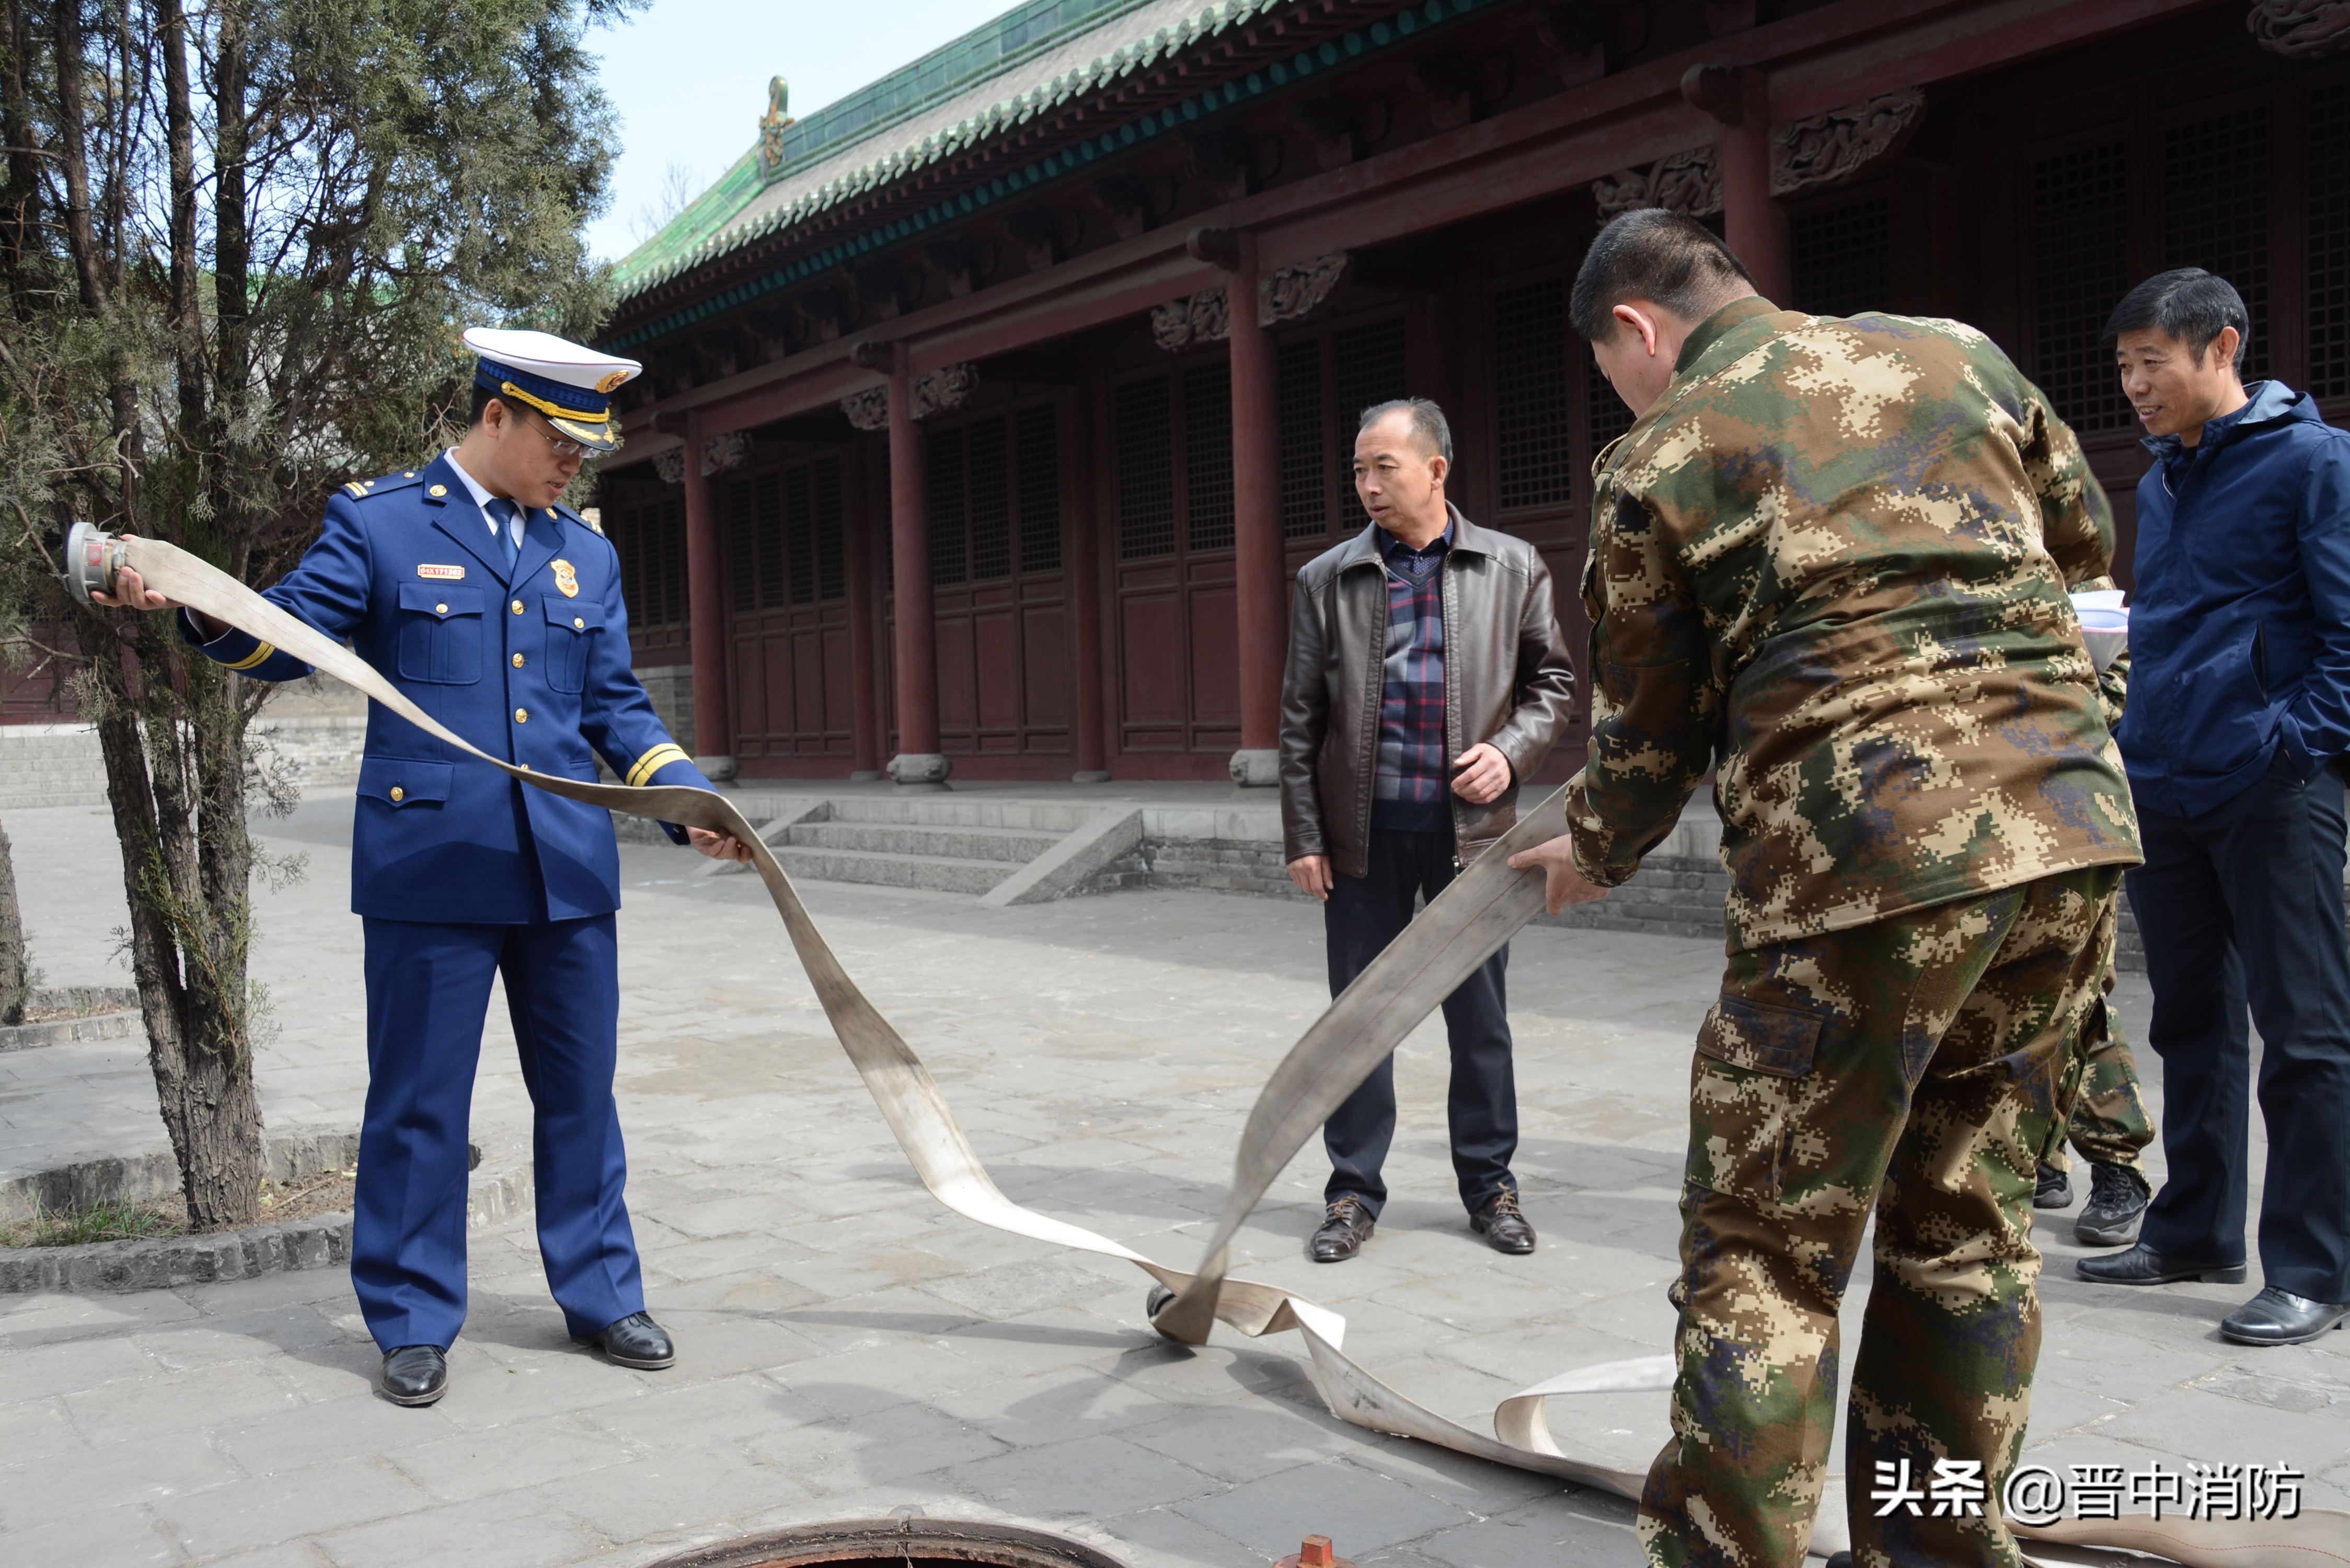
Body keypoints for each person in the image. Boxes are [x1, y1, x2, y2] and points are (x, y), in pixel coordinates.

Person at [1511, 210, 2140, 1567]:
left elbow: (1648, 733)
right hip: (2069, 853)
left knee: (1766, 1253)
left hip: (1858, 878)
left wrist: (1591, 848)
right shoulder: (1959, 356)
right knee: (1966, 1233)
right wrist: (2074, 742)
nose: (1622, 393)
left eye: (1612, 367)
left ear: (1636, 326)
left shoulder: (1666, 449)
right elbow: (2092, 570)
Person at [96, 328, 751, 1408]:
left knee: (582, 1098)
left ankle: (600, 1294)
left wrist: (687, 802)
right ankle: (409, 1315)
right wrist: (192, 601)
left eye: (584, 449)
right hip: (432, 868)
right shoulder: (384, 522)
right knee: (419, 1106)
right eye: (557, 440)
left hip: (568, 877)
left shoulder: (587, 555)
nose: (571, 464)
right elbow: (285, 632)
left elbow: (614, 707)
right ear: (494, 416)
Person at [2075, 268, 2350, 1346]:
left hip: (2271, 786)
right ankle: (2194, 1229)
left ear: (2220, 348)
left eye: (2152, 361)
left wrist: (2293, 743)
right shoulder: (2164, 481)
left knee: (2306, 1030)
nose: (2135, 386)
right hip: (2165, 778)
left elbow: (2342, 633)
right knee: (2188, 1019)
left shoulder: (2313, 464)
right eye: (2124, 367)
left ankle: (2316, 1267)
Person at [1278, 397, 1575, 1263]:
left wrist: (1511, 755)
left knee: (1479, 1023)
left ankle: (1491, 1188)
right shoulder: (1326, 579)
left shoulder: (1511, 567)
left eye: (1385, 468)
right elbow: (1300, 720)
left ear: (1436, 469)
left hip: (1475, 841)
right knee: (1359, 1020)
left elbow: (1553, 684)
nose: (1368, 485)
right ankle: (1351, 1195)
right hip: (1361, 839)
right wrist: (1305, 834)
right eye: (1360, 470)